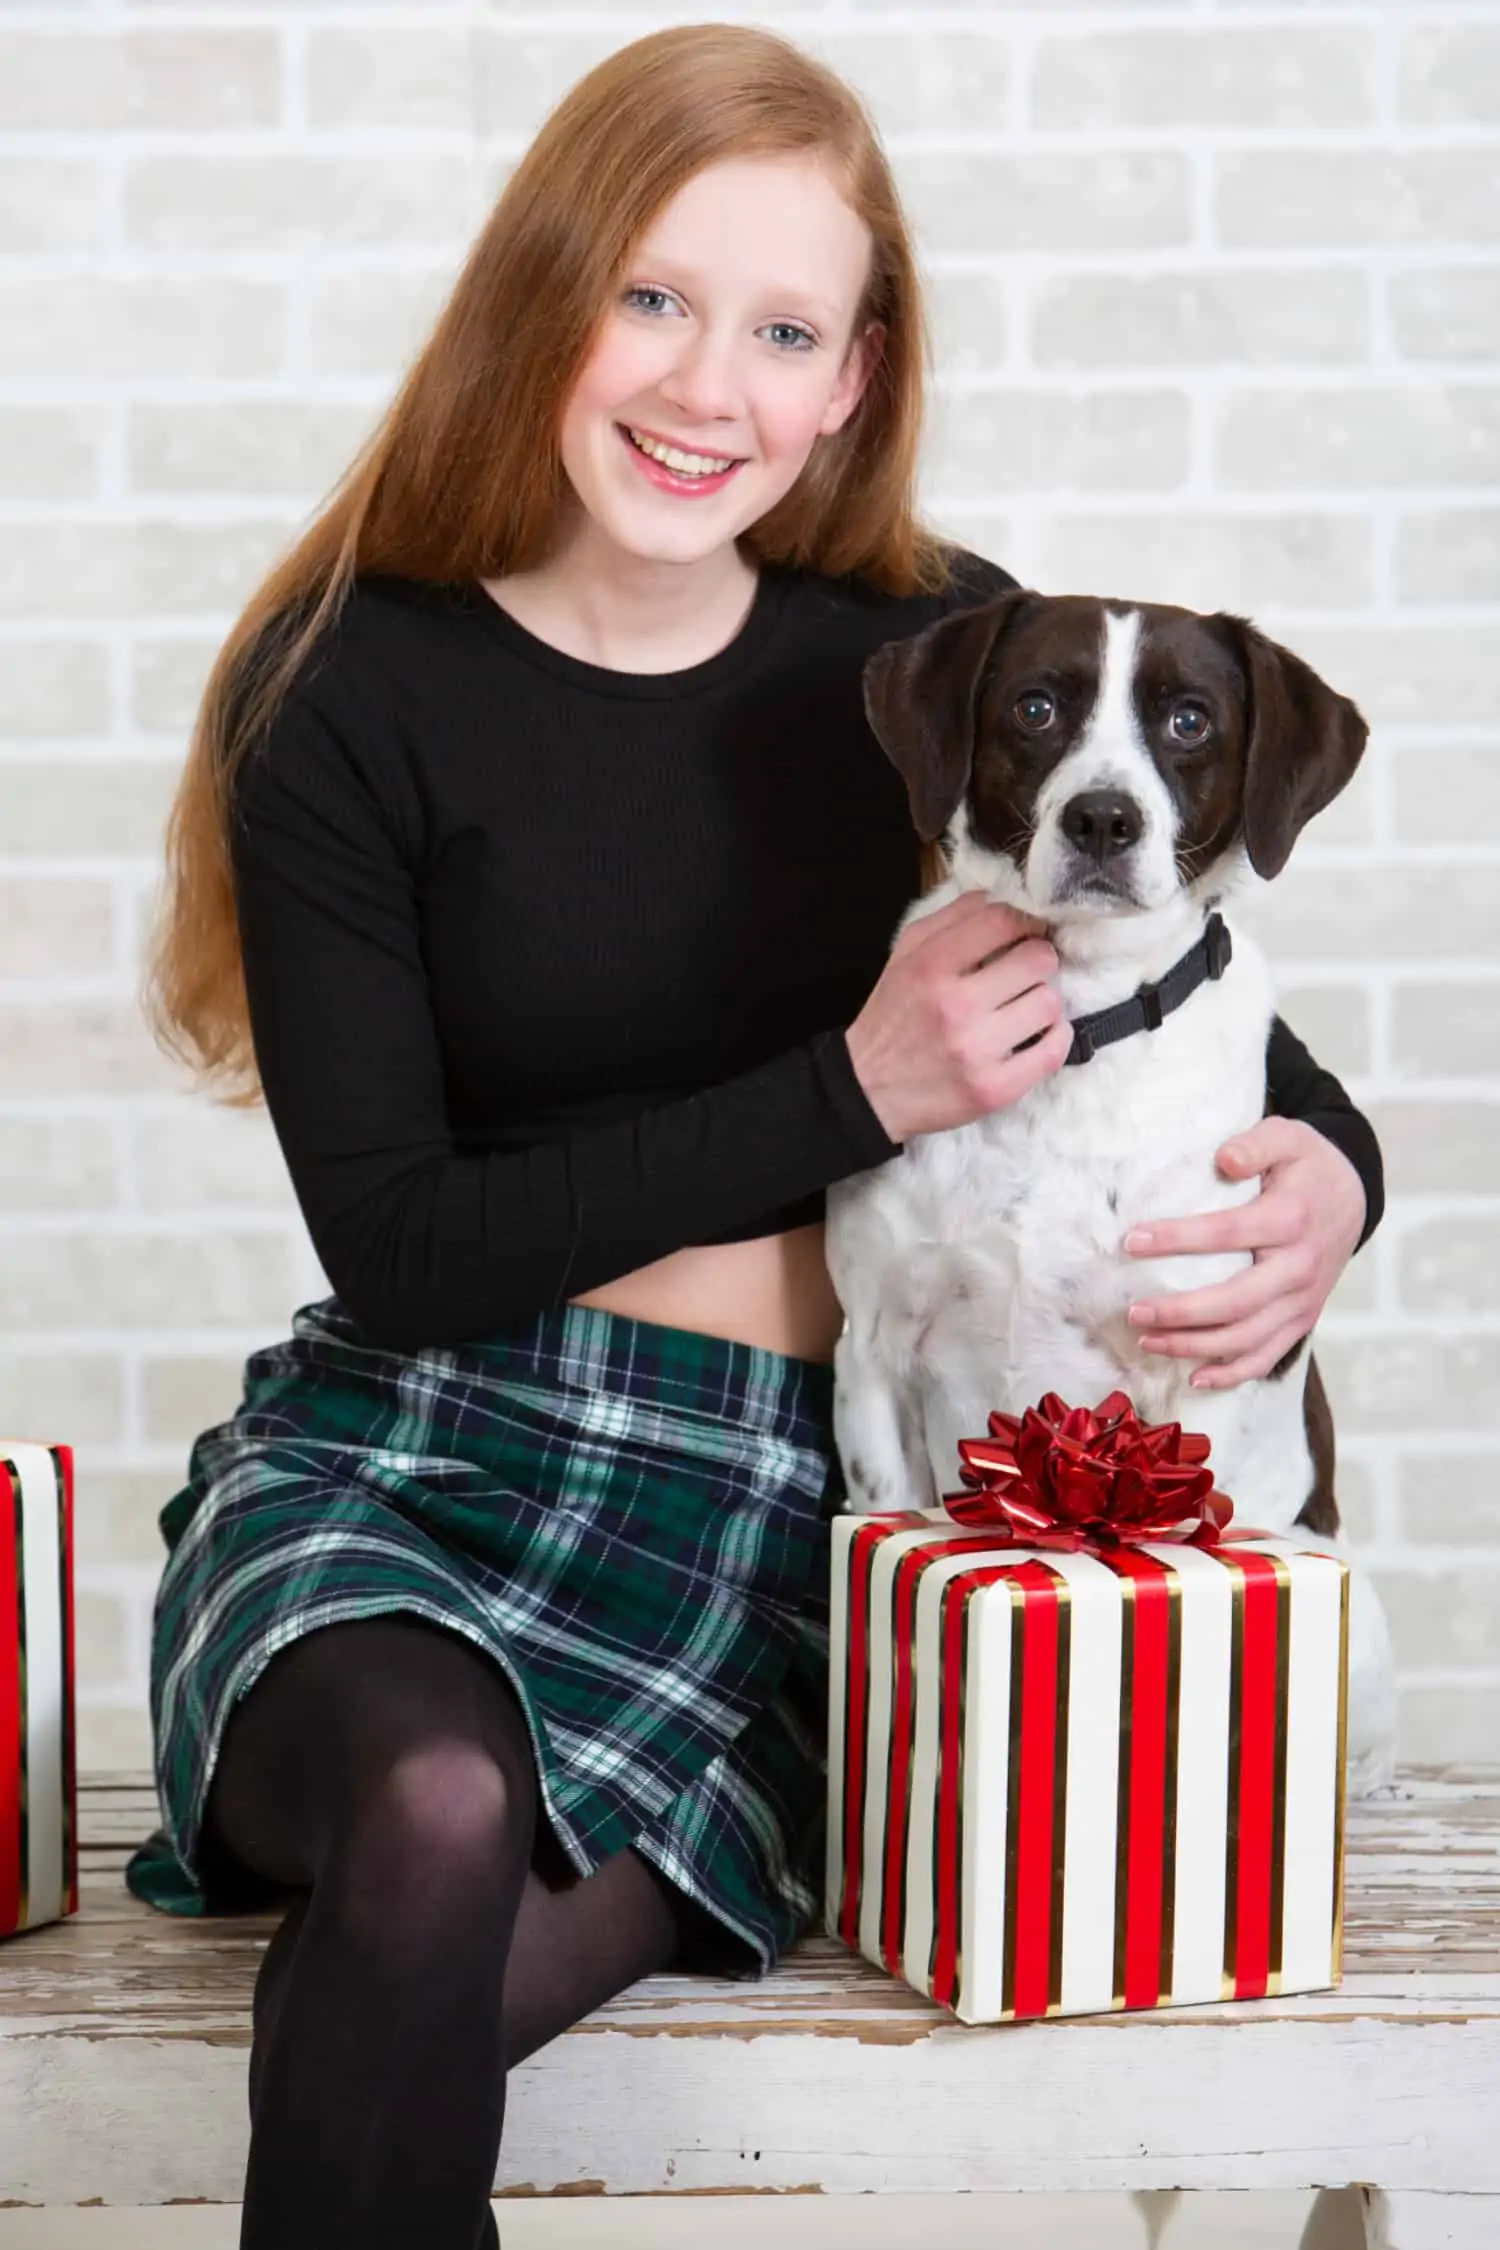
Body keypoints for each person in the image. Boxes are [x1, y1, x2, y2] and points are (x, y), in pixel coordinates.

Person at [123, 23, 1383, 2249]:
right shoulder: (342, 692)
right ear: (542, 300)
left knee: (423, 1995)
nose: (709, 384)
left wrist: (1343, 1181)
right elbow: (400, 1245)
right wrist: (851, 1090)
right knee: (423, 1810)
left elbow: (1184, 1005)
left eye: (782, 328)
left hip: (800, 1533)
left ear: (852, 386)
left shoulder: (938, 653)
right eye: (651, 296)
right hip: (421, 1448)